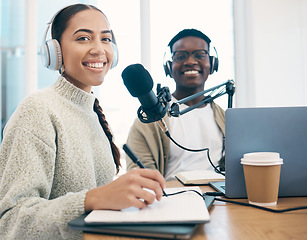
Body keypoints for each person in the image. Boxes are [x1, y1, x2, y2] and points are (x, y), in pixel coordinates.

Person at [0, 4, 166, 240]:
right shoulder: (38, 109)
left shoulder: (92, 111)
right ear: (55, 52)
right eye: (84, 38)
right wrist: (93, 199)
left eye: (106, 39)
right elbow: (11, 222)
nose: (99, 49)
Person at [126, 29, 225, 181]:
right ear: (169, 66)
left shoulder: (225, 119)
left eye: (200, 55)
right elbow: (142, 178)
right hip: (171, 199)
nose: (191, 61)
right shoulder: (150, 121)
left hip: (220, 202)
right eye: (180, 56)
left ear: (212, 64)